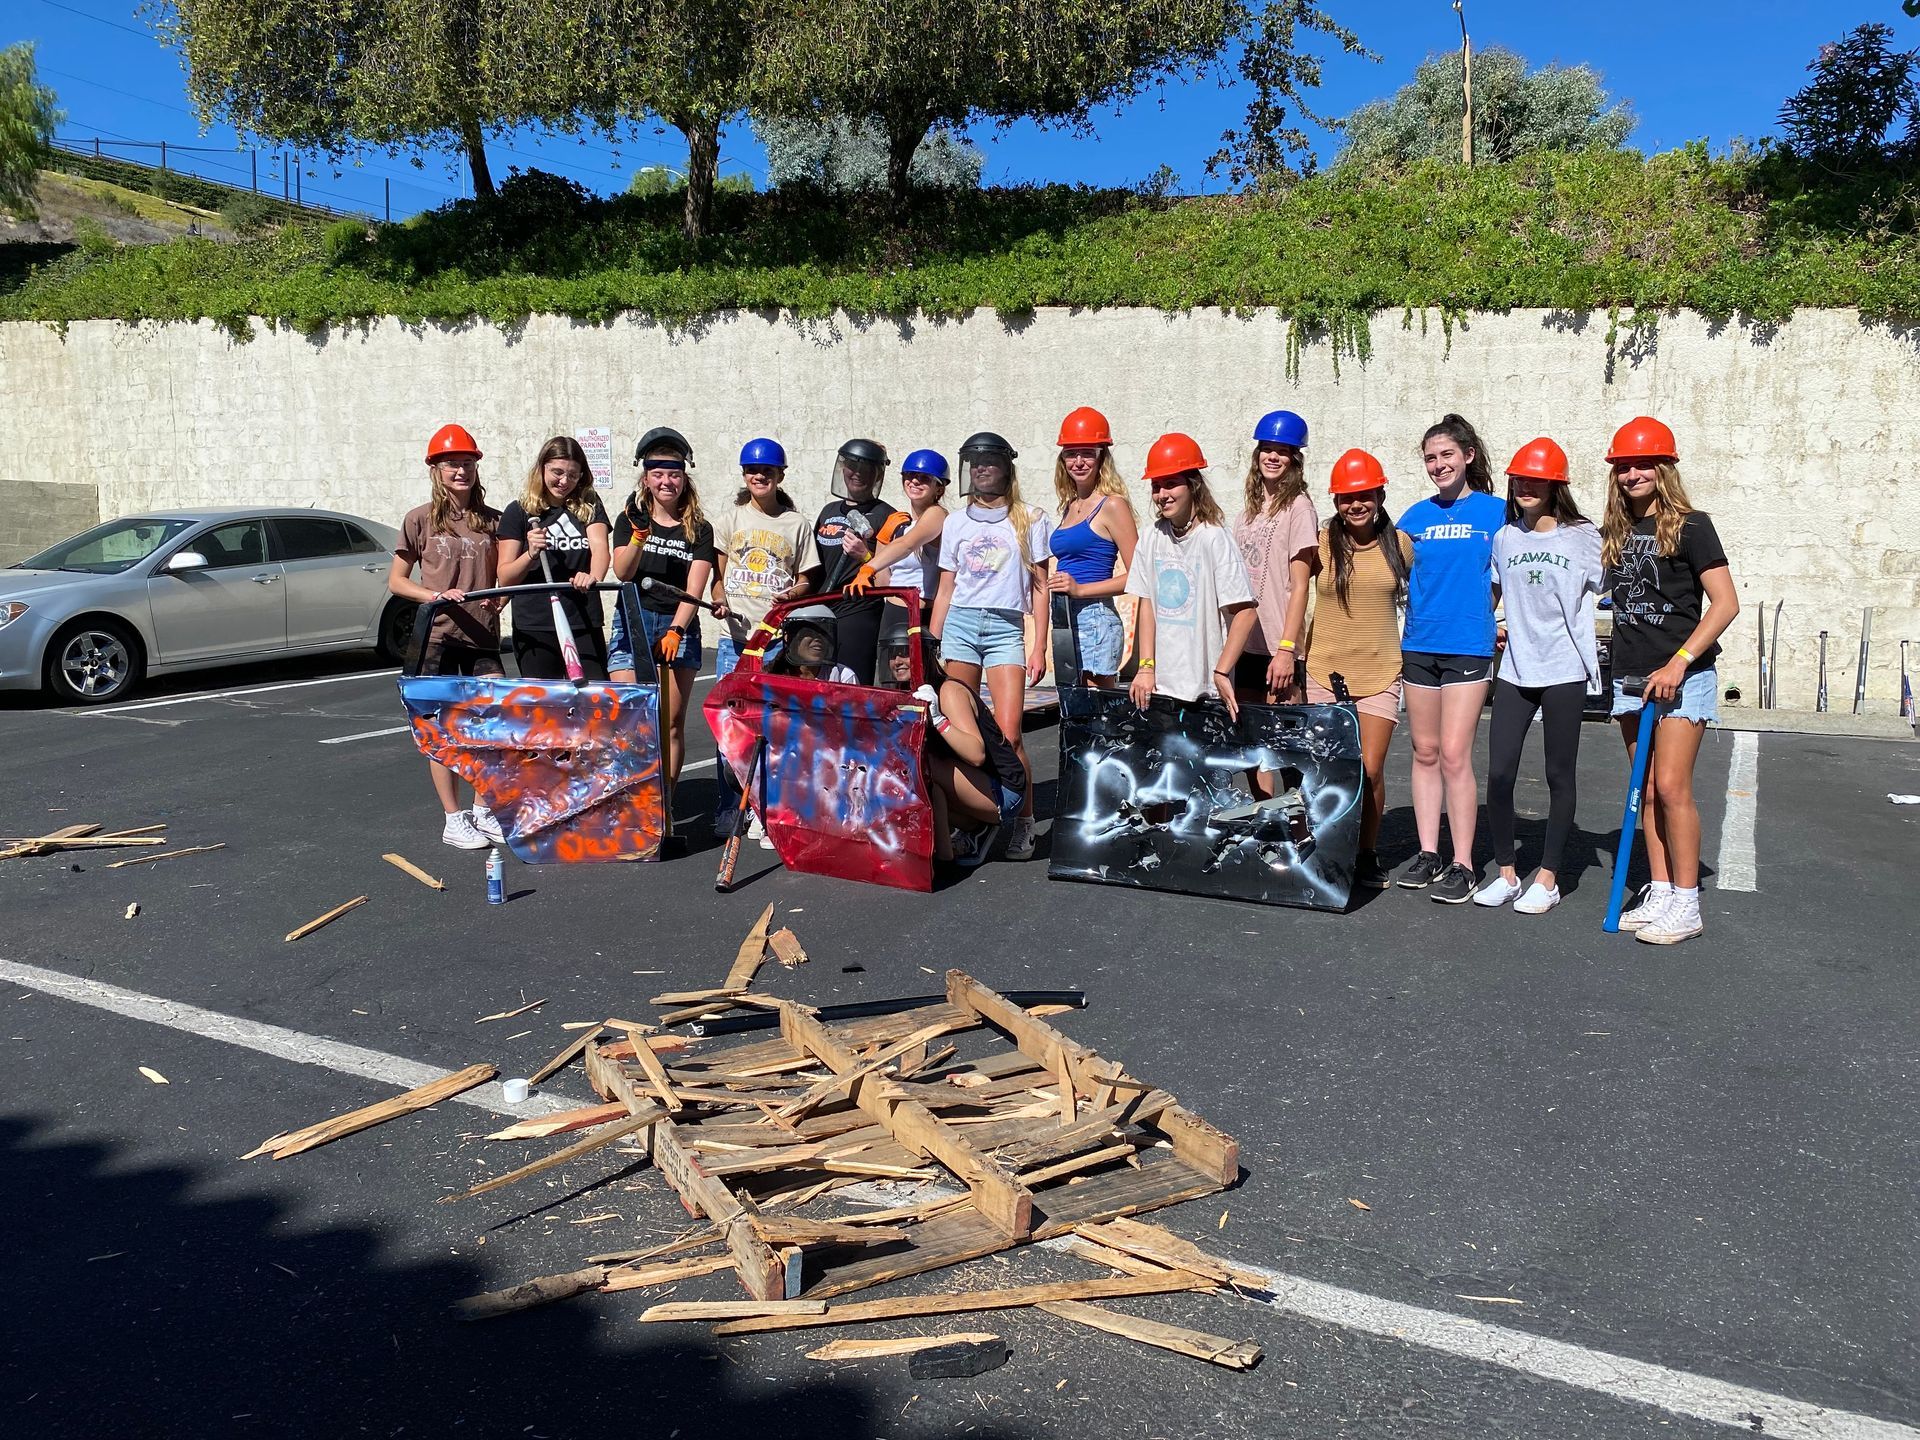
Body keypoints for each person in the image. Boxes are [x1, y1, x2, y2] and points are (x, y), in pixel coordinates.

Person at [1602, 416, 1739, 945]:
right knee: (1647, 791)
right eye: (1623, 466)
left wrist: (1680, 660)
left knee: (1673, 787)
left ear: (1664, 468)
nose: (1632, 473)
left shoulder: (1692, 524)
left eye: (1642, 464)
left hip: (1683, 675)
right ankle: (1660, 888)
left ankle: (1686, 902)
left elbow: (1725, 603)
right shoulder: (1617, 532)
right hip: (1631, 675)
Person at [1473, 438, 1603, 916]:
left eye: (1536, 480)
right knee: (1500, 772)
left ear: (1555, 486)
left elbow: (1613, 588)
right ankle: (1506, 874)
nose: (1526, 487)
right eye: (1519, 479)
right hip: (1516, 668)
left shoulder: (1584, 537)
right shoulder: (1505, 538)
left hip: (1565, 669)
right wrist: (1492, 630)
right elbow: (1494, 596)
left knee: (1557, 774)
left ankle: (1547, 878)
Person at [928, 431, 1054, 861]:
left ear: (1006, 467)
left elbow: (1040, 587)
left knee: (1009, 734)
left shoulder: (1029, 518)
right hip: (960, 625)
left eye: (990, 462)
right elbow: (946, 588)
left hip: (1005, 629)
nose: (982, 469)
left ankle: (1024, 822)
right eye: (974, 463)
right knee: (962, 733)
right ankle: (978, 822)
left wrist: (1038, 646)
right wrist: (931, 640)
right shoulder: (955, 523)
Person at [1397, 413, 1506, 904]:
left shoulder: (1495, 513)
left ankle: (1464, 862)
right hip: (1419, 644)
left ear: (1468, 457)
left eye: (1446, 455)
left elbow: (1507, 576)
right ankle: (1428, 852)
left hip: (1468, 645)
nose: (1438, 465)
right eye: (1430, 458)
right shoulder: (1413, 518)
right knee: (1424, 751)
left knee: (1456, 753)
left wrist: (1490, 617)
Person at [386, 423, 505, 849]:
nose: (461, 471)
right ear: (435, 469)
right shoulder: (419, 519)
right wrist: (433, 595)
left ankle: (484, 810)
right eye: (452, 463)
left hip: (483, 637)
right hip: (436, 637)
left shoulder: (493, 521)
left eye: (468, 463)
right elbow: (397, 581)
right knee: (442, 731)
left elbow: (503, 577)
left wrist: (501, 601)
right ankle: (453, 818)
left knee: (488, 726)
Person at [1301, 450, 1414, 892]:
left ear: (1380, 494)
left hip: (1381, 670)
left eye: (1364, 495)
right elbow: (1287, 590)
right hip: (1324, 668)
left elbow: (1434, 590)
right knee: (1325, 769)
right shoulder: (1320, 542)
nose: (1356, 504)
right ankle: (1324, 848)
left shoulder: (1401, 543)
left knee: (1369, 769)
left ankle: (1365, 853)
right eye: (1347, 497)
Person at [709, 437, 817, 833]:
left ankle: (765, 807)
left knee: (773, 730)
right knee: (730, 730)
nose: (760, 476)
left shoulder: (797, 524)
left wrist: (792, 593)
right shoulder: (729, 521)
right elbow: (716, 580)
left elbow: (807, 579)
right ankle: (730, 806)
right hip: (734, 639)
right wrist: (719, 600)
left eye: (767, 471)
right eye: (753, 471)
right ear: (744, 475)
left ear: (780, 476)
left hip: (776, 639)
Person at [610, 426, 714, 809]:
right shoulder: (630, 518)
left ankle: (662, 805)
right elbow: (622, 573)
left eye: (673, 472)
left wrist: (675, 629)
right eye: (658, 472)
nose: (666, 480)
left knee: (669, 722)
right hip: (633, 622)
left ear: (684, 477)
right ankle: (631, 798)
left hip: (678, 626)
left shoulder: (699, 529)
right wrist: (638, 536)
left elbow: (694, 589)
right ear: (646, 477)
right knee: (630, 717)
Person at [1124, 433, 1258, 721]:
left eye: (1171, 484)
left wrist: (1222, 671)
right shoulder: (1151, 537)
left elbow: (1245, 612)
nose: (1162, 494)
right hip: (1160, 686)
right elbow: (1146, 603)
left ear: (1193, 485)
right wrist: (1146, 667)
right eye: (1156, 486)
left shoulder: (1214, 538)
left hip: (1204, 691)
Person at [496, 435, 612, 680]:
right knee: (545, 709)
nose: (564, 481)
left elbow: (600, 548)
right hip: (535, 625)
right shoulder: (518, 511)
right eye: (557, 472)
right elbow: (505, 576)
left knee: (592, 704)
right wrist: (530, 553)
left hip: (583, 620)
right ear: (542, 469)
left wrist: (593, 576)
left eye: (573, 474)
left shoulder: (589, 505)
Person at [912, 640, 1029, 868]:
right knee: (918, 776)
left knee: (924, 766)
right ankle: (952, 850)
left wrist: (938, 719)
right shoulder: (909, 692)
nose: (898, 661)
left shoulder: (949, 692)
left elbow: (976, 754)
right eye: (892, 653)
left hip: (1004, 792)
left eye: (906, 653)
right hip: (974, 783)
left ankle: (976, 827)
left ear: (924, 658)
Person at [1046, 406, 1139, 687]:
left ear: (1102, 457)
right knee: (1074, 713)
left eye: (1087, 453)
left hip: (1095, 617)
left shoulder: (1112, 505)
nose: (1078, 461)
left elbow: (1139, 575)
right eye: (1071, 453)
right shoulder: (1070, 506)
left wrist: (1080, 590)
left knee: (1097, 716)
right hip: (1065, 616)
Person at [1233, 410, 1318, 706]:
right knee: (1246, 744)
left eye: (1282, 451)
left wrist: (1286, 649)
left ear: (1294, 459)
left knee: (1279, 744)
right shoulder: (1247, 514)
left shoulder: (1299, 509)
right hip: (1246, 645)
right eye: (1267, 449)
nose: (1273, 457)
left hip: (1277, 644)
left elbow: (1301, 586)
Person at [813, 438, 910, 684]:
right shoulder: (828, 511)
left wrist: (865, 554)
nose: (856, 474)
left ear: (877, 475)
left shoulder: (887, 516)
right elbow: (814, 566)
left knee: (852, 682)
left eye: (866, 469)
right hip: (824, 606)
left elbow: (888, 581)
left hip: (859, 611)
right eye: (851, 466)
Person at [848, 448, 951, 618]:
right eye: (909, 475)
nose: (915, 481)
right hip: (892, 612)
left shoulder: (937, 514)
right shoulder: (903, 525)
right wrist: (883, 539)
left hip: (919, 613)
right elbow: (883, 585)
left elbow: (908, 544)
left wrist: (867, 569)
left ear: (939, 489)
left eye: (924, 478)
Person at [766, 604, 858, 684]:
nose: (818, 639)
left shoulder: (843, 677)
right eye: (809, 633)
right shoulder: (771, 674)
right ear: (789, 637)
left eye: (824, 634)